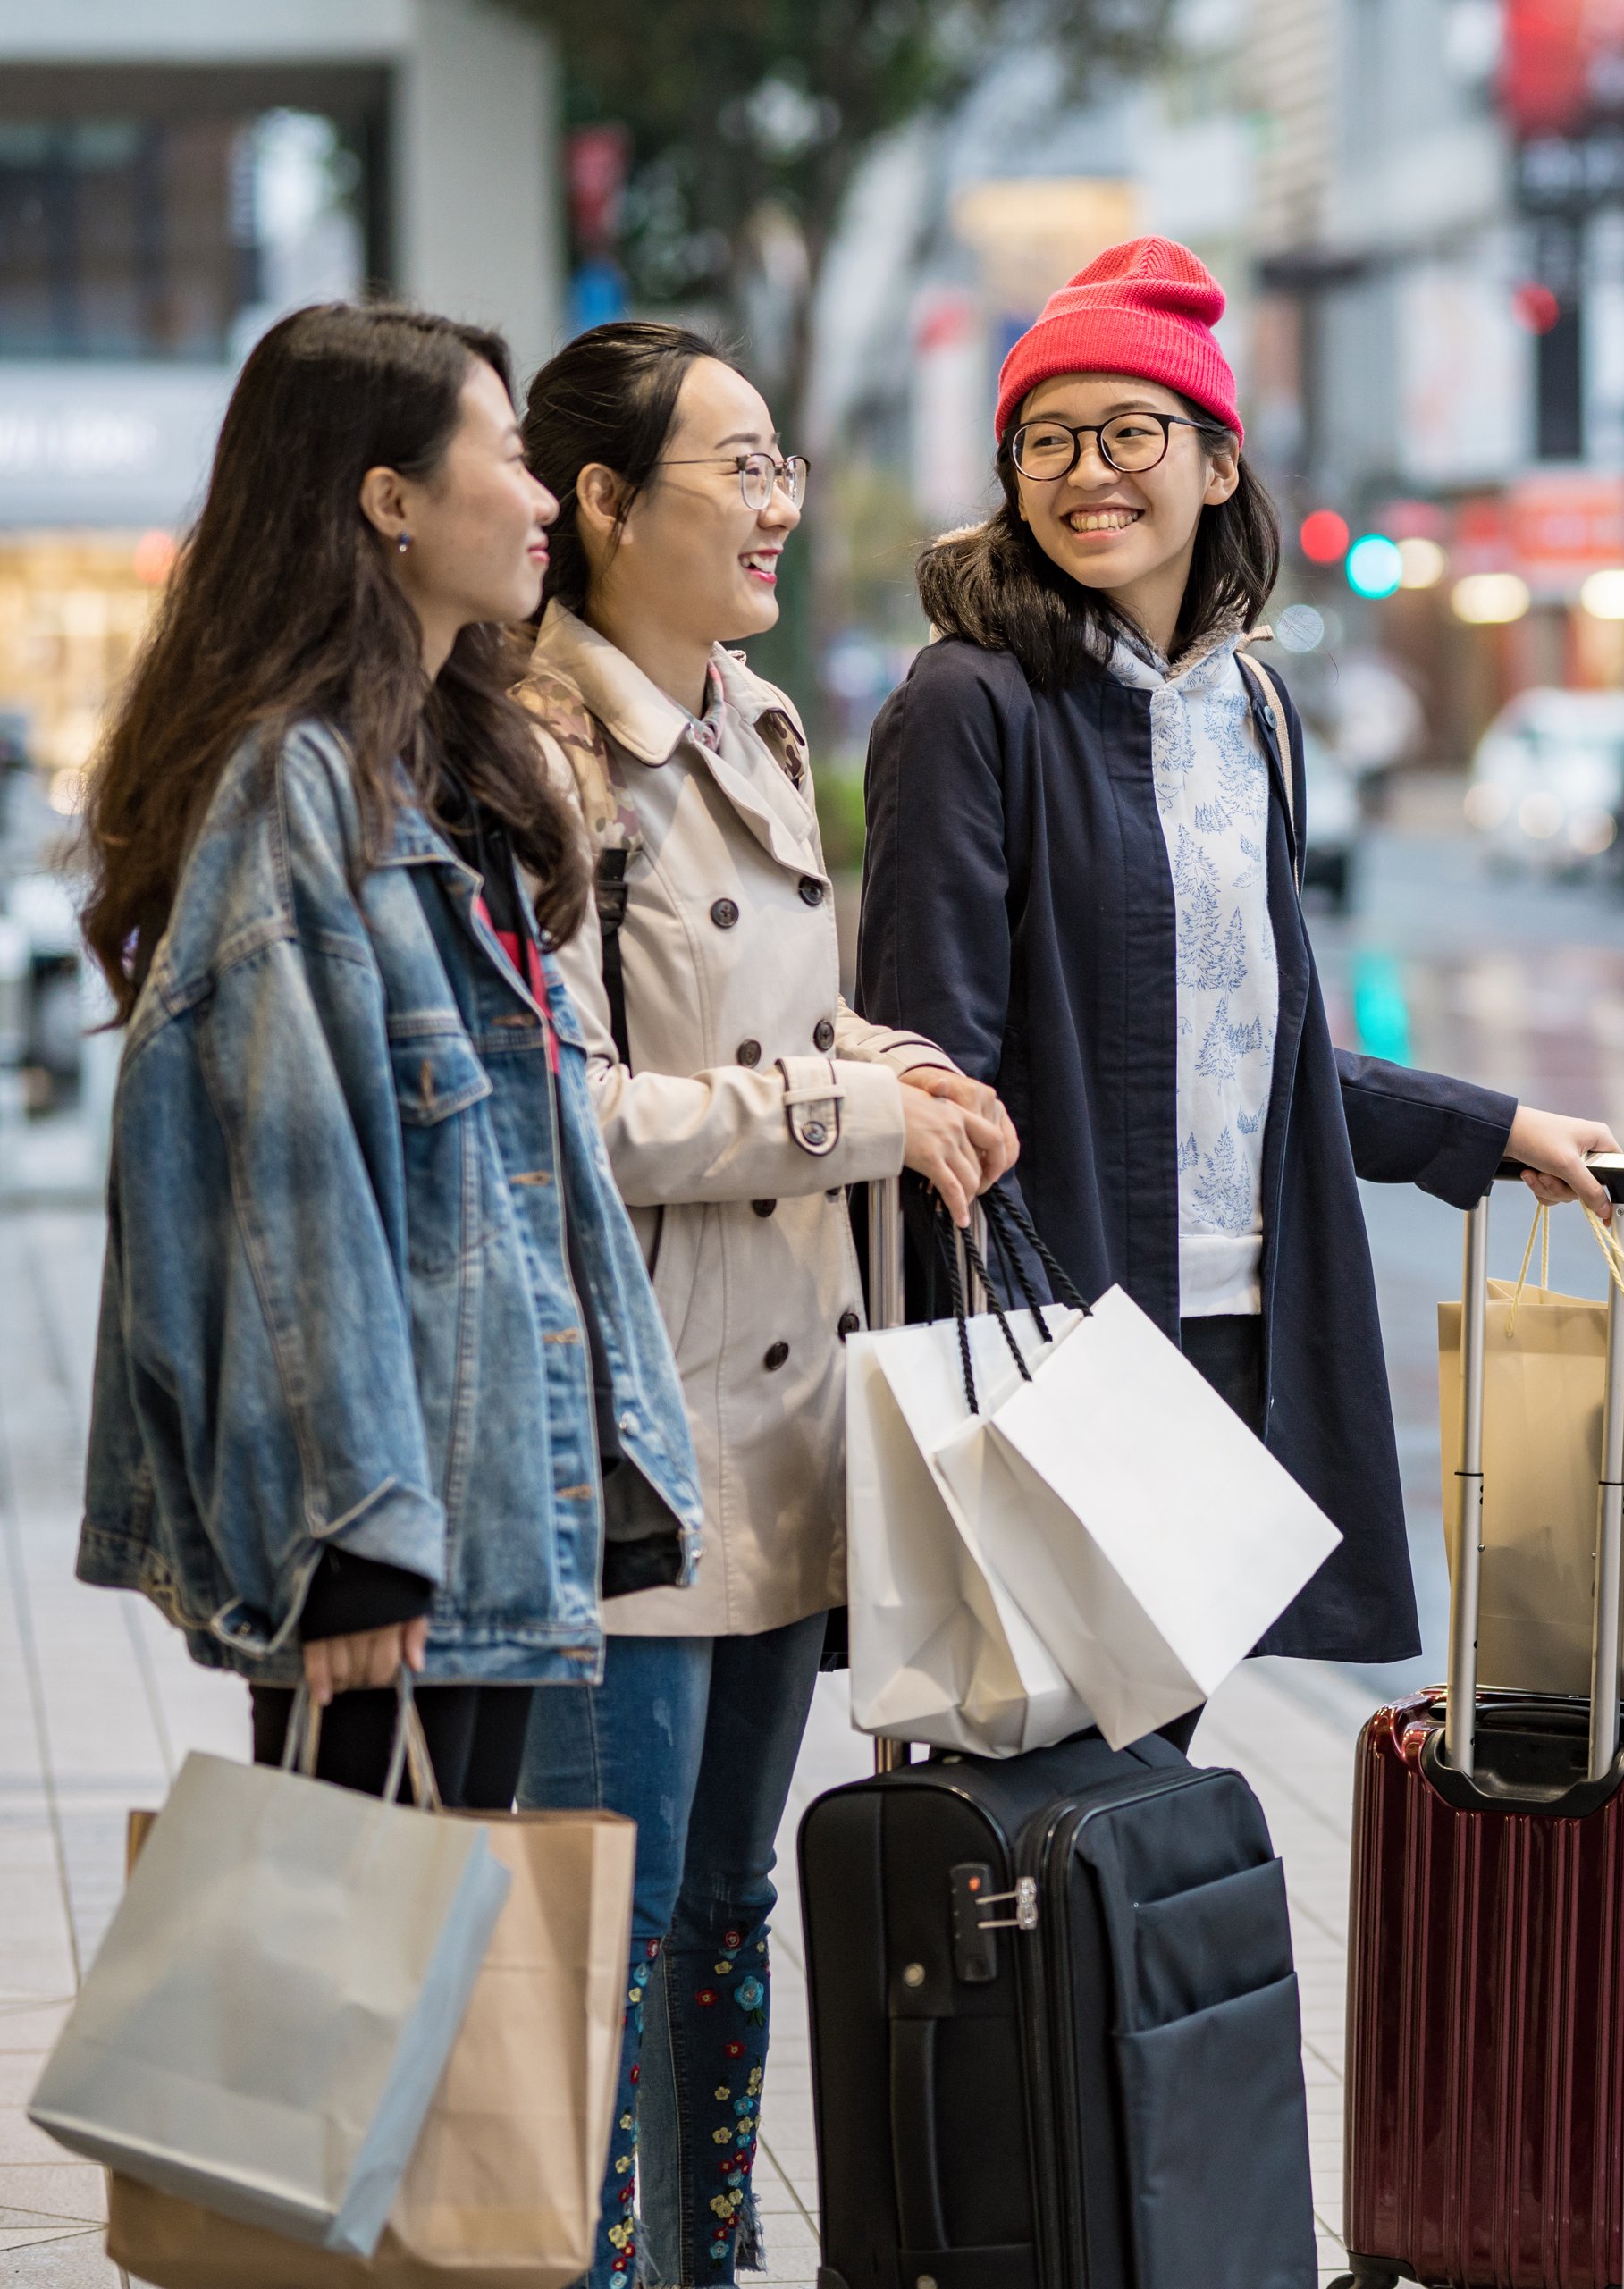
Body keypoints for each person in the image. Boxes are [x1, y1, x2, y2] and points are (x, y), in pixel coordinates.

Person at [859, 237, 1619, 1689]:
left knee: (1147, 1790)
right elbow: (928, 1069)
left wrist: (1495, 1130)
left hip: (1242, 1328)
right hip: (1064, 1333)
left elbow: (1249, 1041)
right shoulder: (971, 703)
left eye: (1131, 431)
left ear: (1216, 465)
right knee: (1050, 1788)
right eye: (1049, 440)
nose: (1090, 470)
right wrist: (993, 1354)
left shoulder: (1253, 714)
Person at [508, 320, 1019, 2289]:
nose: (778, 504)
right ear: (606, 505)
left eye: (784, 464)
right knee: (609, 1929)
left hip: (784, 1437)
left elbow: (757, 1026)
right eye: (740, 467)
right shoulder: (538, 755)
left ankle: (709, 2264)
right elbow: (569, 1112)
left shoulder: (768, 722)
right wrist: (844, 1105)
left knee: (729, 1908)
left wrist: (898, 1070)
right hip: (631, 1443)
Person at [73, 303, 702, 1813]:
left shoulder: (439, 769)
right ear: (390, 499)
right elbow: (283, 1181)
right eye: (508, 455)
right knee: (349, 2014)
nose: (546, 495)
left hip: (476, 1507)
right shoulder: (297, 786)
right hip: (382, 1543)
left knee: (436, 2011)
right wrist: (350, 1529)